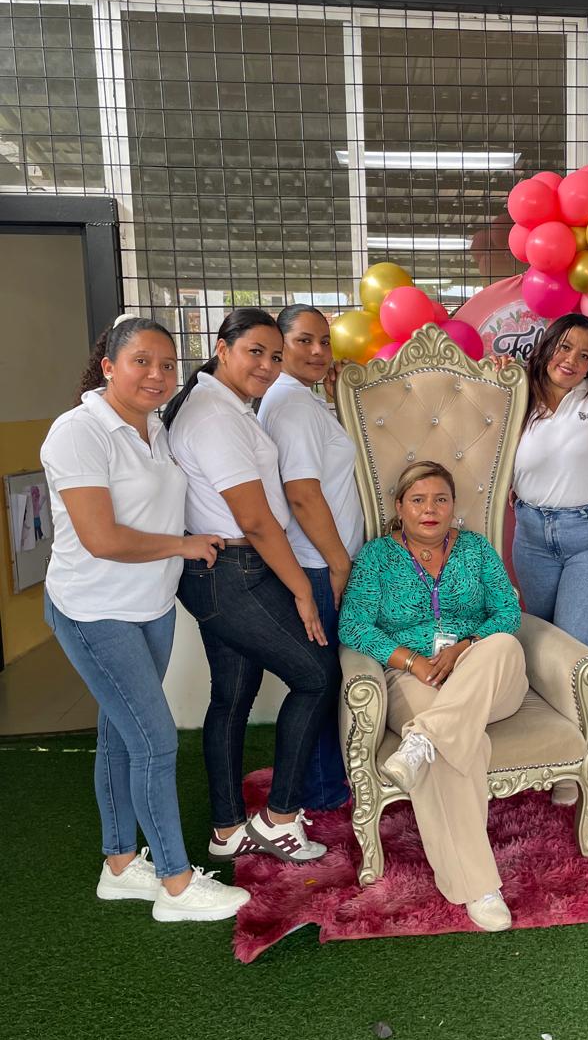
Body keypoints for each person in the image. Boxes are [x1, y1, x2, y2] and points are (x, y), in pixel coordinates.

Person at [41, 315, 249, 922]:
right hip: (93, 609)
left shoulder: (155, 427)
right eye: (141, 362)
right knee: (155, 740)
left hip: (150, 607)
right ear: (109, 366)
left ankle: (119, 865)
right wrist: (185, 545)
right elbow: (102, 538)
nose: (157, 374)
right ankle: (176, 885)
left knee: (121, 733)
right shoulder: (78, 433)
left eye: (167, 364)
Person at [164, 308, 339, 864]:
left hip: (225, 570)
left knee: (233, 696)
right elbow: (257, 520)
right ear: (222, 348)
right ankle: (280, 817)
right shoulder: (214, 417)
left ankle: (227, 829)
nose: (266, 365)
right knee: (317, 675)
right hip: (233, 573)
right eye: (255, 352)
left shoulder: (226, 405)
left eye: (274, 356)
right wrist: (303, 589)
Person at [338, 460, 527, 933]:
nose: (430, 509)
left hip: (486, 674)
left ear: (453, 506)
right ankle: (479, 886)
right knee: (457, 747)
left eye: (440, 499)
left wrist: (464, 648)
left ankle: (422, 738)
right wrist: (412, 662)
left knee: (502, 645)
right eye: (418, 500)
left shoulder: (477, 550)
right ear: (399, 507)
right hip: (414, 679)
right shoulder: (376, 557)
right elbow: (353, 625)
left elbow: (508, 611)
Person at [510, 314, 588, 805]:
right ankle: (544, 750)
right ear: (546, 347)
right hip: (532, 536)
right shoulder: (515, 395)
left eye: (585, 355)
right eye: (565, 348)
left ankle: (576, 764)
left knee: (575, 650)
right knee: (538, 646)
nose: (572, 361)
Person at [258, 303, 364, 810]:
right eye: (304, 340)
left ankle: (324, 785)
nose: (319, 351)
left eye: (325, 340)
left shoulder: (301, 399)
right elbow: (302, 494)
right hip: (318, 565)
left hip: (321, 562)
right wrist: (340, 563)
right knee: (322, 681)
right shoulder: (293, 406)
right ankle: (321, 793)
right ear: (280, 346)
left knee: (326, 679)